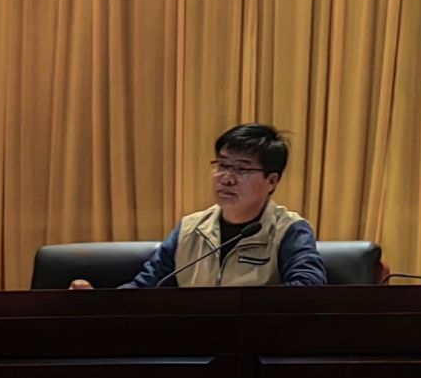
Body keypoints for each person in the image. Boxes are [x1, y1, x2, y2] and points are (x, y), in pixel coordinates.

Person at [70, 123, 327, 288]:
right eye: (222, 165)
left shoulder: (288, 230)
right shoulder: (190, 228)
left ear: (271, 181)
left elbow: (308, 289)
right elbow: (145, 288)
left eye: (242, 169)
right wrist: (98, 302)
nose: (226, 178)